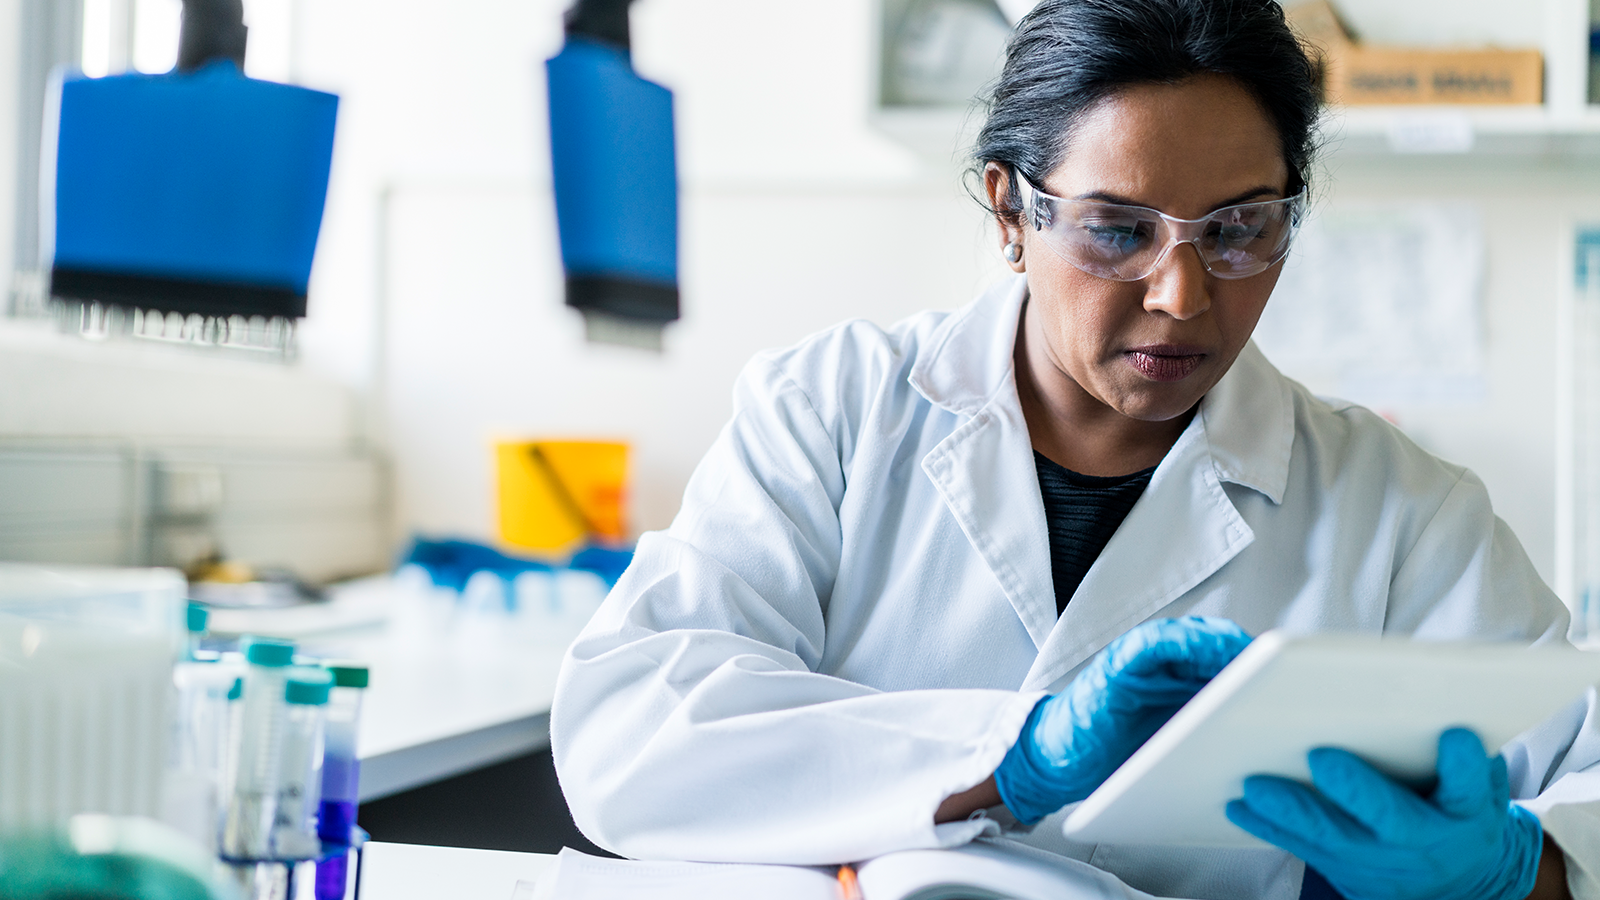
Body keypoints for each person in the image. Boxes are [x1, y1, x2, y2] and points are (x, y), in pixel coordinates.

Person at [549, 1, 1600, 897]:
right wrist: (1015, 756)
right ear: (1010, 210)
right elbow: (631, 731)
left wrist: (1517, 869)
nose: (1180, 296)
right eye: (1114, 228)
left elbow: (1583, 777)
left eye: (1238, 230)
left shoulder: (1400, 512)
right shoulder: (832, 411)